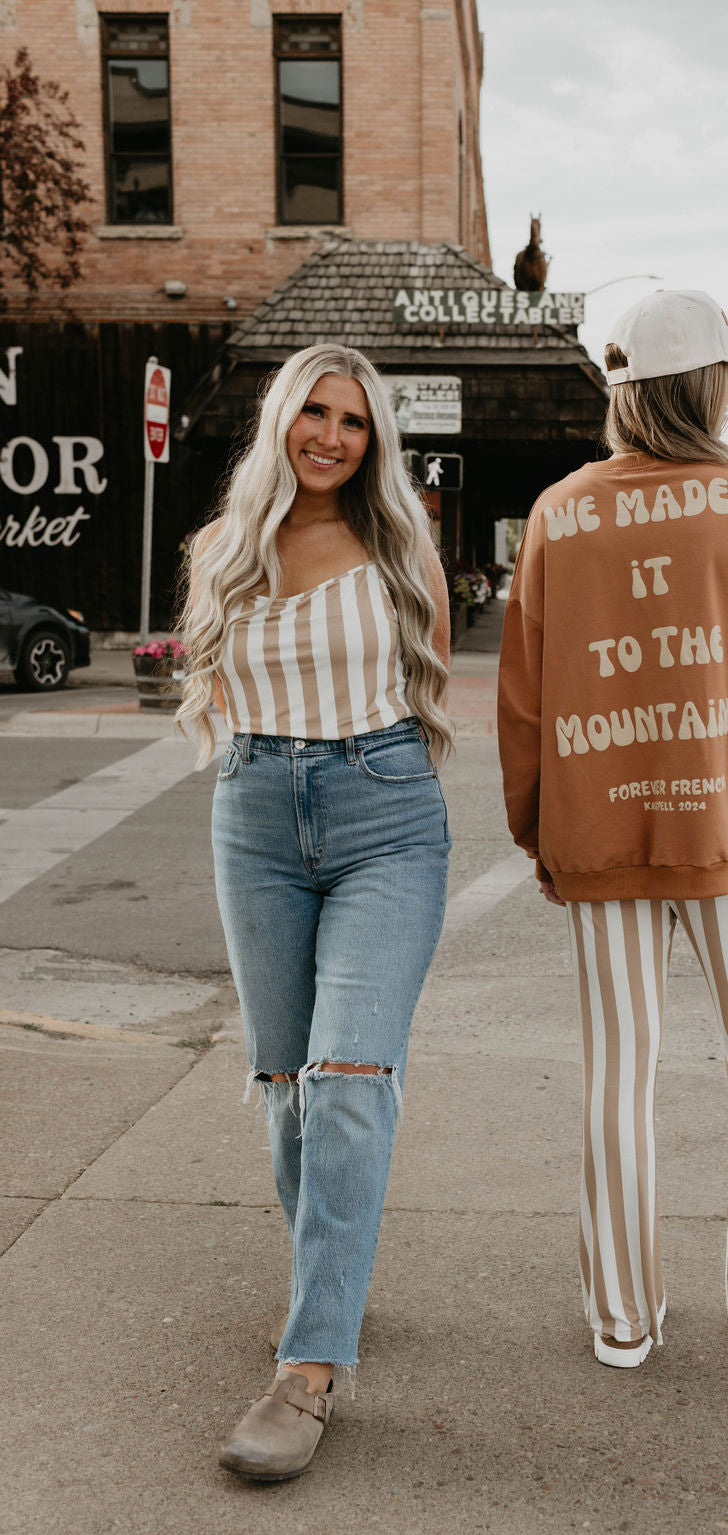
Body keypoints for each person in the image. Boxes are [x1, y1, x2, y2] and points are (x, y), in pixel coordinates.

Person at [497, 290, 728, 1368]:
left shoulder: (559, 510)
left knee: (617, 1070)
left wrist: (539, 832)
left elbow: (523, 697)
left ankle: (622, 1314)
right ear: (710, 384)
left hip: (598, 832)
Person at [178, 342, 453, 1478]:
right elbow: (207, 684)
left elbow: (430, 680)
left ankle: (308, 1370)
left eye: (353, 419)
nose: (331, 435)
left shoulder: (399, 546)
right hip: (252, 815)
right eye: (314, 412)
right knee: (287, 1086)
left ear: (373, 438)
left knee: (347, 1079)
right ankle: (325, 1292)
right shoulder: (220, 553)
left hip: (385, 811)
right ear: (282, 420)